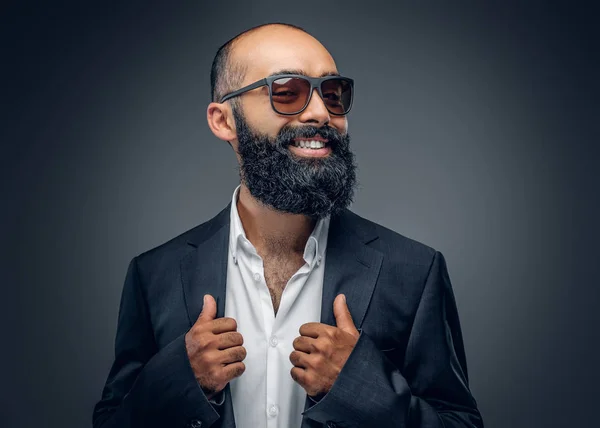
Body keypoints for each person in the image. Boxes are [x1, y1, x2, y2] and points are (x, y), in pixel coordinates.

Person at [93, 23, 484, 428]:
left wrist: (361, 388)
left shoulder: (414, 273)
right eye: (286, 92)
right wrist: (178, 380)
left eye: (332, 95)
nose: (320, 113)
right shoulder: (154, 275)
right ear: (223, 120)